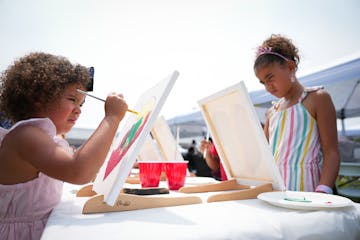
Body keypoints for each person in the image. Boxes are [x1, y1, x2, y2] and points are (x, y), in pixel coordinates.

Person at [0, 52, 128, 239]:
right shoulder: (26, 136)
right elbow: (78, 171)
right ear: (38, 97)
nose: (78, 110)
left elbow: (84, 165)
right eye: (72, 100)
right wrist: (112, 118)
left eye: (81, 104)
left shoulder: (45, 137)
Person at [253, 34, 340, 193]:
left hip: (308, 192)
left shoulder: (317, 99)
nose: (268, 87)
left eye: (270, 77)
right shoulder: (272, 112)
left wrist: (323, 189)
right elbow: (264, 156)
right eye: (263, 82)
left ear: (291, 68)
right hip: (275, 193)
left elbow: (331, 151)